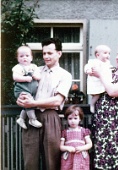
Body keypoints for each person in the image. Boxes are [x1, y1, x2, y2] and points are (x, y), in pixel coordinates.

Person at [16, 38, 72, 170]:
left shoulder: (65, 75)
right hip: (31, 118)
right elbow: (22, 88)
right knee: (30, 161)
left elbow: (58, 100)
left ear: (59, 53)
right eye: (44, 53)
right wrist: (20, 100)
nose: (46, 56)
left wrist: (33, 103)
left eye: (50, 53)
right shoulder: (34, 70)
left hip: (50, 117)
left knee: (52, 160)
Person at [13, 45, 42, 129]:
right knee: (29, 103)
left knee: (27, 104)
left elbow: (38, 76)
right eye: (21, 56)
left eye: (27, 56)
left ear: (31, 57)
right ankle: (32, 119)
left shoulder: (34, 67)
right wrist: (25, 78)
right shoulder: (18, 67)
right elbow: (15, 77)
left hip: (31, 91)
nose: (24, 58)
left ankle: (21, 119)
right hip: (22, 89)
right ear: (18, 58)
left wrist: (36, 76)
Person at [60, 105, 92, 170]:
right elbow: (61, 147)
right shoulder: (64, 132)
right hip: (68, 157)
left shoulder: (84, 131)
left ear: (80, 119)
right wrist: (67, 148)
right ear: (67, 119)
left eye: (75, 118)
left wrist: (82, 148)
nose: (73, 121)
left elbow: (90, 144)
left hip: (81, 156)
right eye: (70, 118)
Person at [84, 45, 113, 113]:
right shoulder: (93, 62)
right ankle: (92, 104)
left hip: (103, 83)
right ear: (97, 55)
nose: (108, 55)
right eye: (105, 53)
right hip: (95, 82)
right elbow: (87, 66)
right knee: (97, 94)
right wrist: (88, 70)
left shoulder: (108, 64)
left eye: (109, 53)